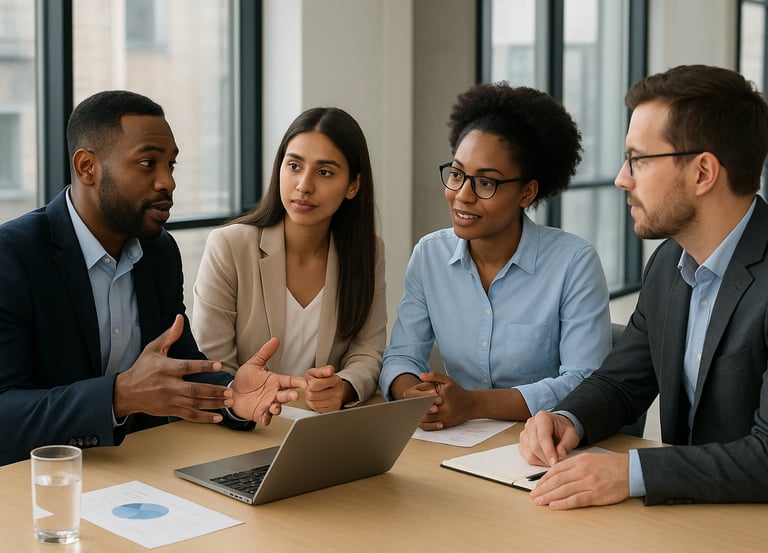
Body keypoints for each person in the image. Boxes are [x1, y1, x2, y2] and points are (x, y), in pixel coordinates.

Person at [0, 90, 306, 466]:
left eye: (171, 165)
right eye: (148, 163)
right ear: (86, 167)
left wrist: (232, 396)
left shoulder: (159, 251)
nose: (168, 182)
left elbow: (178, 366)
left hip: (145, 472)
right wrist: (118, 395)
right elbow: (5, 412)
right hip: (42, 484)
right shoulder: (12, 255)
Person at [519, 64, 768, 508]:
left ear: (703, 172)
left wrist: (631, 472)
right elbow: (621, 383)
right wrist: (566, 418)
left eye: (638, 159)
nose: (621, 178)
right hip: (687, 523)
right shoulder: (670, 262)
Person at [378, 82, 611, 430]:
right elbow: (401, 357)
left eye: (485, 183)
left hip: (542, 444)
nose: (463, 196)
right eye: (456, 175)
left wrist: (472, 404)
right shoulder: (429, 256)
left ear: (526, 192)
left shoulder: (574, 263)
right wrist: (415, 397)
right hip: (453, 440)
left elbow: (584, 381)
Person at [192, 107, 386, 413]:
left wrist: (344, 387)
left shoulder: (367, 251)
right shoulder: (230, 246)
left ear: (353, 185)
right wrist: (243, 400)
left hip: (320, 429)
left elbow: (367, 350)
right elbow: (211, 366)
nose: (304, 186)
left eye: (324, 172)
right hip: (243, 427)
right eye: (294, 165)